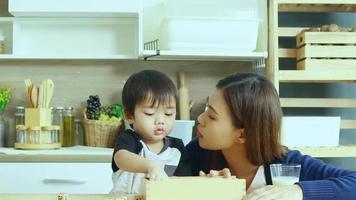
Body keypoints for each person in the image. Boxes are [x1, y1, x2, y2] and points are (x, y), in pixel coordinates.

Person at [186, 73, 356, 200]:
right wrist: (200, 189)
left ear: (243, 134)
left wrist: (297, 191)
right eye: (207, 109)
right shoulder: (197, 153)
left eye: (212, 116)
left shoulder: (287, 164)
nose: (200, 119)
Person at [111, 70, 191, 194]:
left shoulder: (177, 148)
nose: (160, 120)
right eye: (150, 113)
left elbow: (184, 181)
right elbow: (121, 158)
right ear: (129, 115)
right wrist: (151, 166)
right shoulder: (130, 139)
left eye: (168, 113)